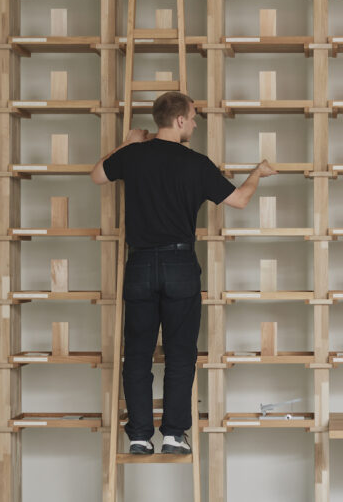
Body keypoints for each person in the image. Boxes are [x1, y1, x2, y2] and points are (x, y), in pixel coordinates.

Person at [90, 91, 277, 454]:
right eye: (192, 117)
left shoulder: (132, 155)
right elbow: (239, 200)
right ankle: (174, 436)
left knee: (138, 354)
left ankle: (141, 436)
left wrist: (125, 143)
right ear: (178, 121)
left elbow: (97, 174)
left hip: (140, 264)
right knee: (180, 354)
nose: (194, 123)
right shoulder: (196, 163)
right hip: (179, 264)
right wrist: (257, 172)